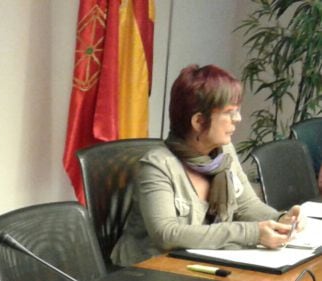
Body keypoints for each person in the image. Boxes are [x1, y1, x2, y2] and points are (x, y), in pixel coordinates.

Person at [112, 64, 304, 266]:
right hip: (149, 272)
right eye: (230, 112)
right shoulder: (158, 165)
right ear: (198, 121)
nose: (237, 119)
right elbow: (166, 234)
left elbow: (247, 205)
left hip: (199, 265)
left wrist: (281, 220)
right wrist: (252, 233)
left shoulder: (224, 152)